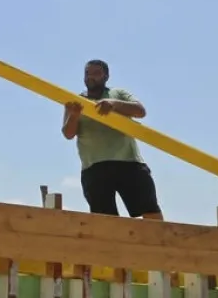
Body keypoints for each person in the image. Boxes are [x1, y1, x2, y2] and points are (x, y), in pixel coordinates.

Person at [61, 59, 163, 220]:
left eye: (96, 73)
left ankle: (158, 244)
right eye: (87, 73)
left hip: (129, 162)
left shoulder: (118, 94)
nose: (90, 77)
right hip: (94, 167)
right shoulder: (75, 102)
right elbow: (68, 134)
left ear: (106, 76)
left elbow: (140, 111)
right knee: (105, 220)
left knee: (150, 212)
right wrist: (74, 115)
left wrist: (113, 104)